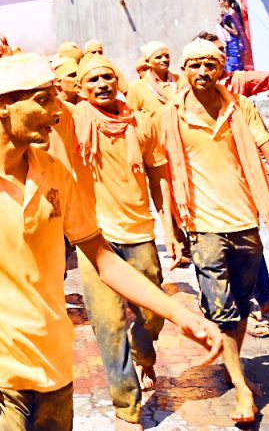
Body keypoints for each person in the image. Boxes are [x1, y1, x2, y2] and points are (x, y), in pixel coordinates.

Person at [0, 53, 222, 431]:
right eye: (43, 99)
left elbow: (103, 259)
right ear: (2, 106)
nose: (57, 111)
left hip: (56, 370)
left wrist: (180, 315)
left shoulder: (54, 172)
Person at [157, 39, 269, 424]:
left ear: (221, 68)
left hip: (245, 220)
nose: (203, 72)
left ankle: (231, 365)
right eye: (195, 65)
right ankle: (241, 387)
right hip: (202, 225)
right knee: (223, 311)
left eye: (210, 64)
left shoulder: (241, 108)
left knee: (240, 306)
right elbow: (162, 172)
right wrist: (171, 228)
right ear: (183, 70)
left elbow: (266, 146)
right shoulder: (169, 115)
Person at [73, 55, 175, 429]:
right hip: (93, 238)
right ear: (82, 89)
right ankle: (127, 408)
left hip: (140, 232)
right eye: (92, 79)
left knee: (153, 312)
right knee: (107, 323)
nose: (101, 83)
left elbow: (158, 175)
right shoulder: (74, 122)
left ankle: (144, 350)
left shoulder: (142, 123)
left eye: (107, 76)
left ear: (117, 81)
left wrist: (170, 227)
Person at [126, 41, 176, 116]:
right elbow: (131, 117)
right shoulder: (136, 88)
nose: (164, 59)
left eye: (167, 56)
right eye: (158, 57)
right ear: (147, 62)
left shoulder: (180, 80)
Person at [218, 0, 248, 73]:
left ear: (226, 1)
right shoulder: (229, 13)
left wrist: (223, 24)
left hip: (234, 45)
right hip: (232, 44)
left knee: (233, 70)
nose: (218, 3)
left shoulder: (231, 13)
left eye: (220, 0)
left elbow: (235, 32)